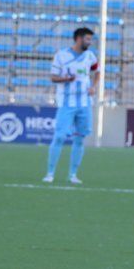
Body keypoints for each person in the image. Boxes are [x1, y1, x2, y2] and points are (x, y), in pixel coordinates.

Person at [43, 27, 98, 185]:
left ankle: (73, 174)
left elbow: (97, 71)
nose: (90, 42)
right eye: (87, 39)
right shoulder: (61, 55)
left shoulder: (90, 56)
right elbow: (53, 77)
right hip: (67, 102)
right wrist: (66, 79)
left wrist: (93, 86)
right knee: (59, 136)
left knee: (80, 138)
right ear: (79, 39)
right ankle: (50, 173)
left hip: (85, 103)